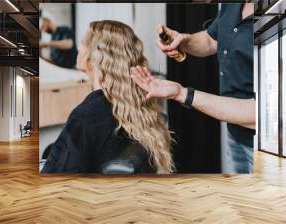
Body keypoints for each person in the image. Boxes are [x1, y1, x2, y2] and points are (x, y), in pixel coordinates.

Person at [131, 3, 255, 173]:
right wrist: (184, 41)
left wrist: (181, 93)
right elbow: (211, 40)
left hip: (264, 141)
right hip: (234, 132)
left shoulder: (282, 12)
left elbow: (259, 113)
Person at [41, 20, 174, 174]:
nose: (79, 47)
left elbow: (55, 176)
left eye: (83, 43)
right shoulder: (132, 102)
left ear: (95, 58)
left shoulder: (85, 116)